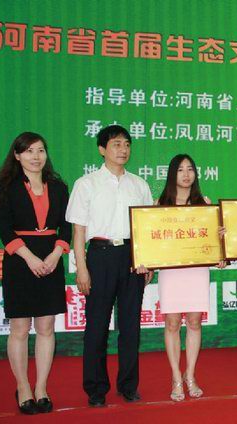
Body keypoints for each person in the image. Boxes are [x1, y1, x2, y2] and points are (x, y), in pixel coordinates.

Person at [66, 125, 153, 407]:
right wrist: (81, 268)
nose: (123, 150)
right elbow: (78, 231)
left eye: (126, 144)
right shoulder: (86, 184)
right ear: (102, 149)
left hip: (131, 258)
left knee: (130, 326)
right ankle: (96, 389)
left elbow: (146, 228)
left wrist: (148, 261)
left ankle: (128, 385)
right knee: (97, 326)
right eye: (116, 144)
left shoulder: (139, 185)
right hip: (99, 256)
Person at [0, 132, 71, 414]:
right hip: (20, 261)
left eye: (40, 150)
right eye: (29, 151)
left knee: (46, 327)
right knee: (20, 328)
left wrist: (55, 254)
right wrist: (30, 258)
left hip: (51, 259)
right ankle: (23, 387)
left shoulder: (59, 187)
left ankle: (41, 387)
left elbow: (67, 226)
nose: (36, 157)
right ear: (17, 155)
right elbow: (5, 230)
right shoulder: (6, 188)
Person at [156, 154, 225, 401]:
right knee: (172, 323)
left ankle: (191, 375)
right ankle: (176, 377)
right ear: (171, 174)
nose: (186, 174)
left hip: (196, 269)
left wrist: (220, 240)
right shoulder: (160, 205)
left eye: (190, 169)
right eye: (180, 170)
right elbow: (152, 240)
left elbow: (213, 239)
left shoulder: (204, 204)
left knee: (194, 322)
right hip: (171, 270)